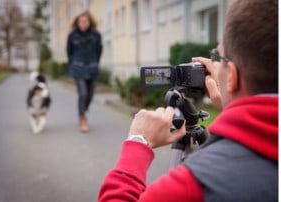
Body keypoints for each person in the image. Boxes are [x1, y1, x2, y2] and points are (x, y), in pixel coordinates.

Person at [98, 0, 278, 201]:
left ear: (232, 77)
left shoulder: (195, 184)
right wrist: (232, 104)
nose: (215, 65)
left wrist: (137, 141)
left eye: (221, 58)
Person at [66, 10, 102, 133]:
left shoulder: (96, 35)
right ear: (77, 22)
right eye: (80, 21)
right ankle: (82, 119)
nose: (82, 24)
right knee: (83, 93)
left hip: (92, 68)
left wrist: (95, 63)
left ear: (89, 22)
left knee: (90, 95)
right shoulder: (72, 35)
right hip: (78, 69)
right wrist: (74, 64)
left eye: (85, 21)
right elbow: (69, 52)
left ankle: (83, 110)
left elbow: (99, 51)